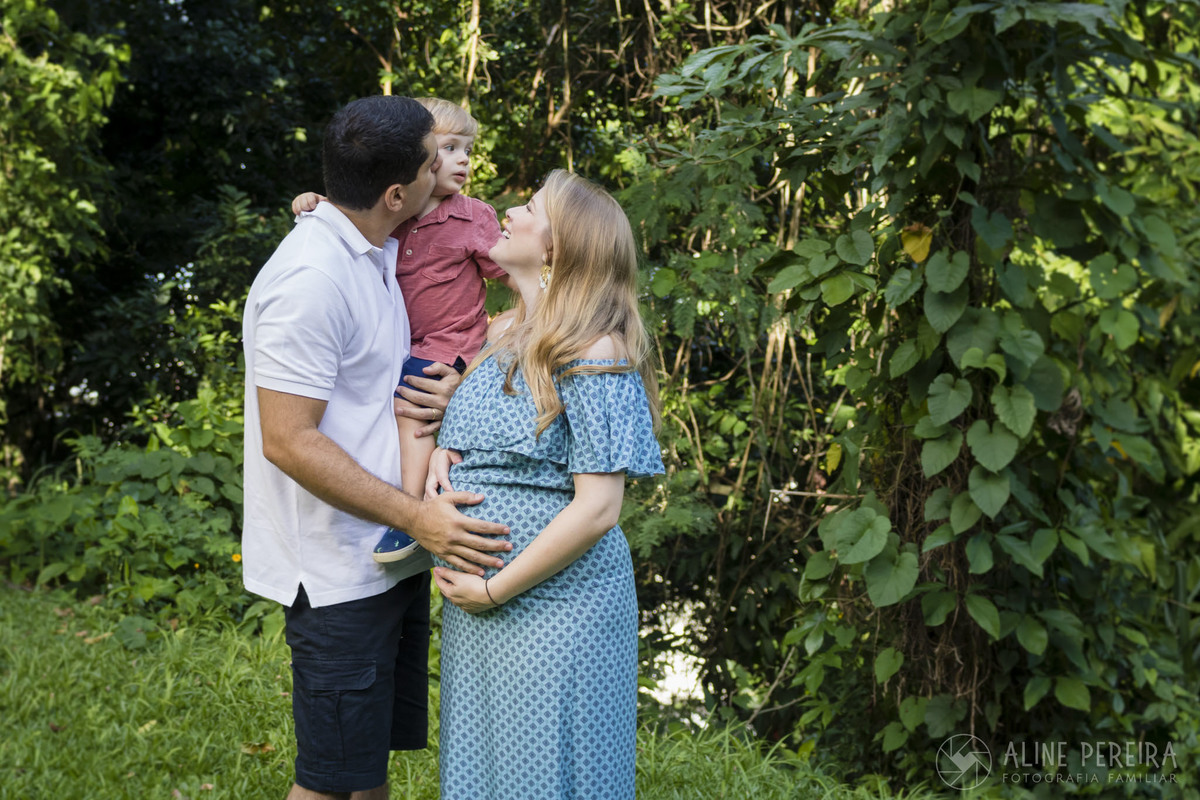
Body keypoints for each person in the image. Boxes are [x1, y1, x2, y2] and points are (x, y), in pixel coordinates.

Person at [242, 95, 511, 800]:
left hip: (386, 555)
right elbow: (288, 441)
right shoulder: (312, 279)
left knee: (365, 774)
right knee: (328, 783)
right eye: (434, 162)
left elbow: (449, 329)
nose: (451, 172)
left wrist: (460, 381)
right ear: (398, 192)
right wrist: (419, 517)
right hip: (337, 574)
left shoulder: (377, 246)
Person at [428, 169, 665, 799]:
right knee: (484, 768)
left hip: (557, 607)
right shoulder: (501, 331)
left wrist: (495, 588)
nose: (509, 210)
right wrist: (443, 454)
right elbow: (475, 430)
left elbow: (599, 508)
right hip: (478, 604)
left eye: (529, 206)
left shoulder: (595, 347)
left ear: (559, 244)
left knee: (548, 774)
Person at [291, 97, 509, 565]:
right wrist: (316, 201)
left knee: (411, 408)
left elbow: (520, 277)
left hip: (449, 344)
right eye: (448, 148)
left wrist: (501, 338)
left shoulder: (473, 217)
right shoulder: (399, 215)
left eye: (467, 149)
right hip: (406, 344)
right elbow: (356, 201)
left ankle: (412, 514)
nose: (463, 159)